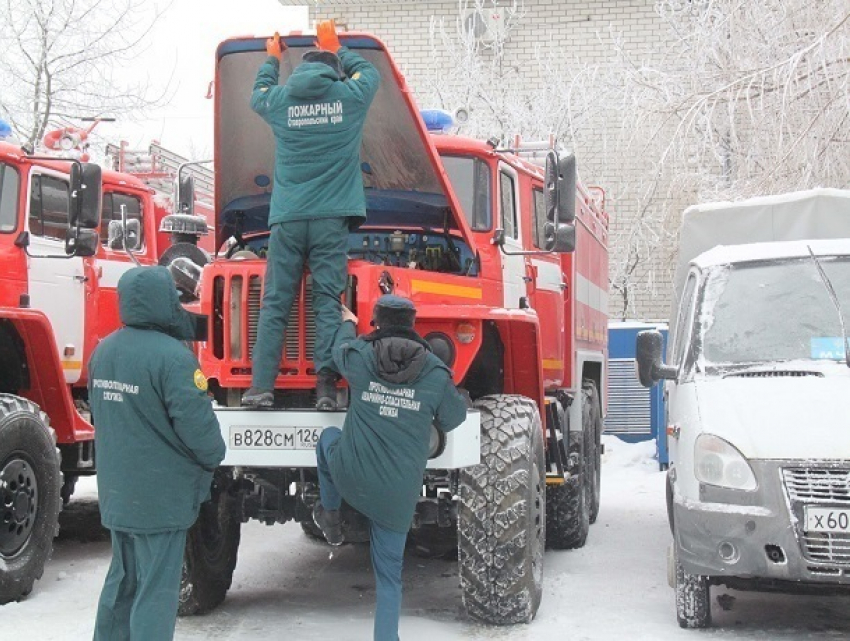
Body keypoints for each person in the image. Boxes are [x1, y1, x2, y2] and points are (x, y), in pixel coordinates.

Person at [243, 20, 381, 410]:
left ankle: (260, 388)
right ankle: (324, 388)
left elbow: (258, 94)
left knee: (275, 303)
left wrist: (272, 59)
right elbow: (368, 74)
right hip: (330, 219)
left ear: (302, 71)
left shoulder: (282, 100)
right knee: (325, 302)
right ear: (333, 70)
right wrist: (339, 47)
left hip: (287, 219)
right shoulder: (348, 98)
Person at [313, 295, 469, 641]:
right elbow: (455, 417)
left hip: (351, 476)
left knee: (327, 439)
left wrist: (348, 323)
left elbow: (339, 350)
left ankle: (332, 519)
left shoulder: (359, 358)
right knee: (389, 579)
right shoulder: (434, 372)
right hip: (396, 497)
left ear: (377, 322)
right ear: (413, 325)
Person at [88, 266, 226, 641]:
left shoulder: (103, 351)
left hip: (119, 494)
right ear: (164, 302)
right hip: (161, 500)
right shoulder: (174, 359)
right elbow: (202, 436)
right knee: (155, 592)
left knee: (121, 582)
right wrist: (213, 457)